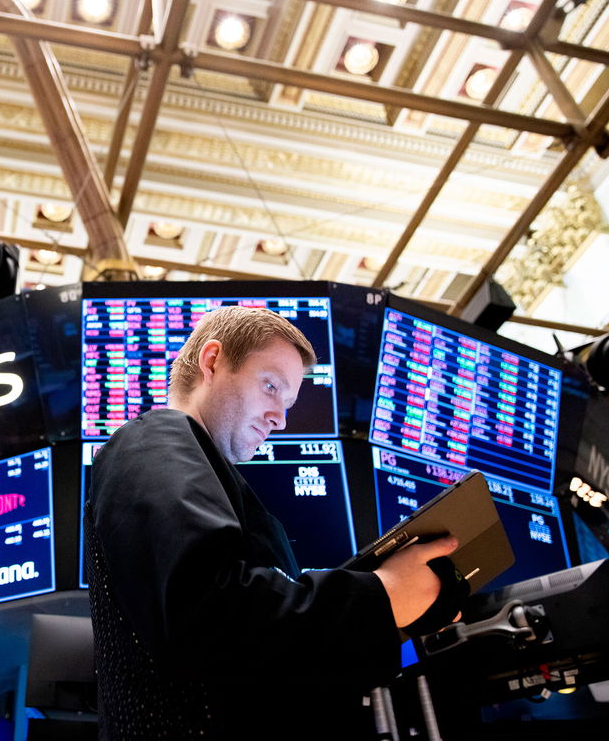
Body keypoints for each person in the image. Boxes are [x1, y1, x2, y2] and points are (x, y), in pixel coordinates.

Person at [86, 305, 459, 739]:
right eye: (270, 387)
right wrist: (380, 596)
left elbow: (269, 660)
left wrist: (394, 614)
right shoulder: (153, 440)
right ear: (212, 361)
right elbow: (211, 612)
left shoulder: (209, 478)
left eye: (288, 403)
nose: (280, 418)